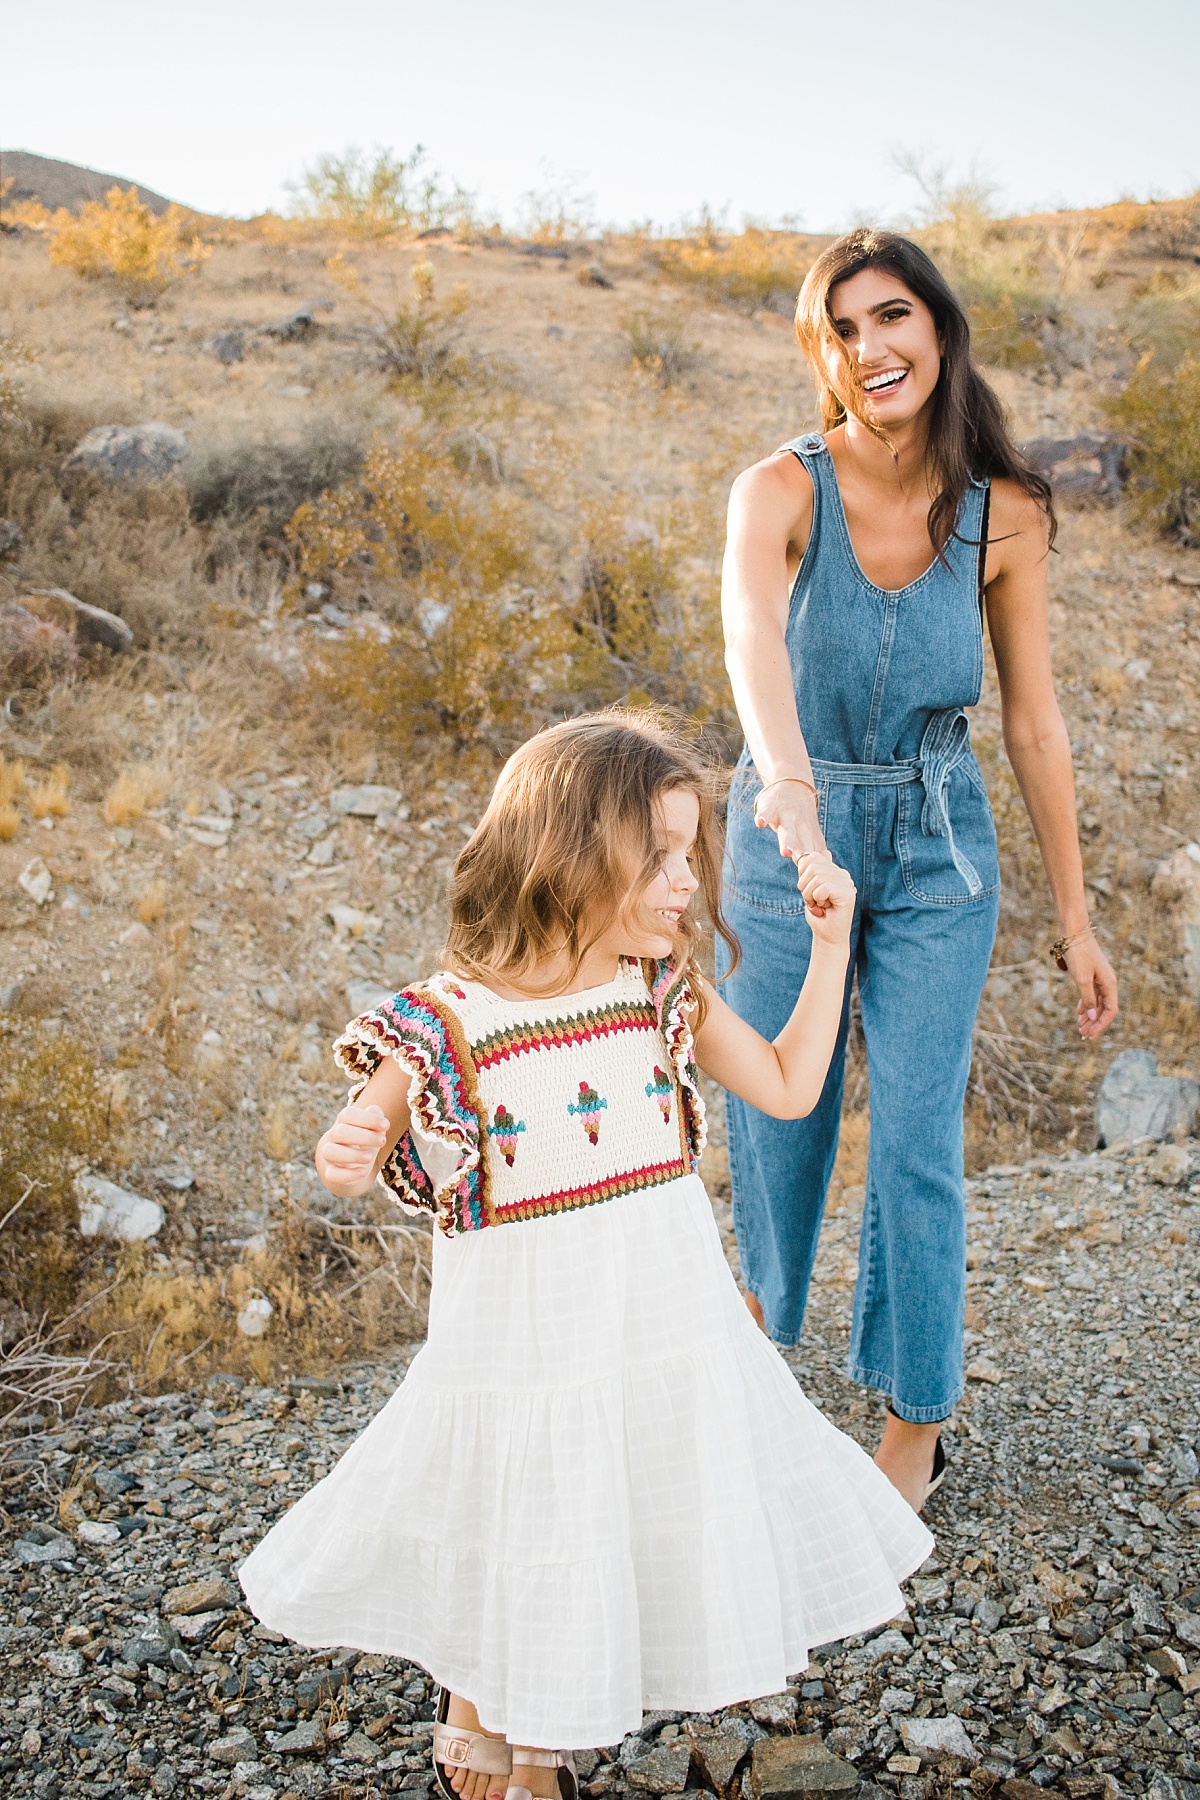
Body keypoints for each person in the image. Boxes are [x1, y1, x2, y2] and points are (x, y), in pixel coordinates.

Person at [240, 710, 932, 1800]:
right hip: (518, 1350)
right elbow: (351, 1150)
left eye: (686, 858)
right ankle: (489, 1702)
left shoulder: (661, 995)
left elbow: (794, 1088)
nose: (681, 887)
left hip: (654, 1333)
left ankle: (538, 1734)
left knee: (603, 1521)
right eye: (654, 859)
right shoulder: (448, 1023)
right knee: (525, 1514)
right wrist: (350, 1141)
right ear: (566, 853)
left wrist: (835, 942)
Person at [718, 228, 1119, 1514]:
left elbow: (1035, 722)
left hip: (942, 848)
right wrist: (788, 788)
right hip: (791, 844)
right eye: (841, 330)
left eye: (890, 317)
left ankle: (911, 1425)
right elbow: (751, 645)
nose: (869, 347)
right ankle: (750, 1379)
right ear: (819, 354)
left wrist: (1076, 914)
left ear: (938, 329)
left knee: (917, 1143)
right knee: (781, 1123)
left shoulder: (1010, 513)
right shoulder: (777, 490)